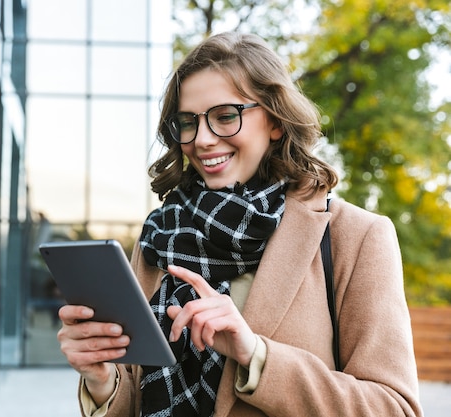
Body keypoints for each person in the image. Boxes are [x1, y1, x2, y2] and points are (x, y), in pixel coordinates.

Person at [57, 32, 423, 417]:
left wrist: (256, 355)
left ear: (275, 121)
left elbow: (394, 408)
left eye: (225, 117)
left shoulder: (356, 236)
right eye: (188, 123)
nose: (202, 140)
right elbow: (137, 399)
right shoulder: (159, 237)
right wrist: (101, 381)